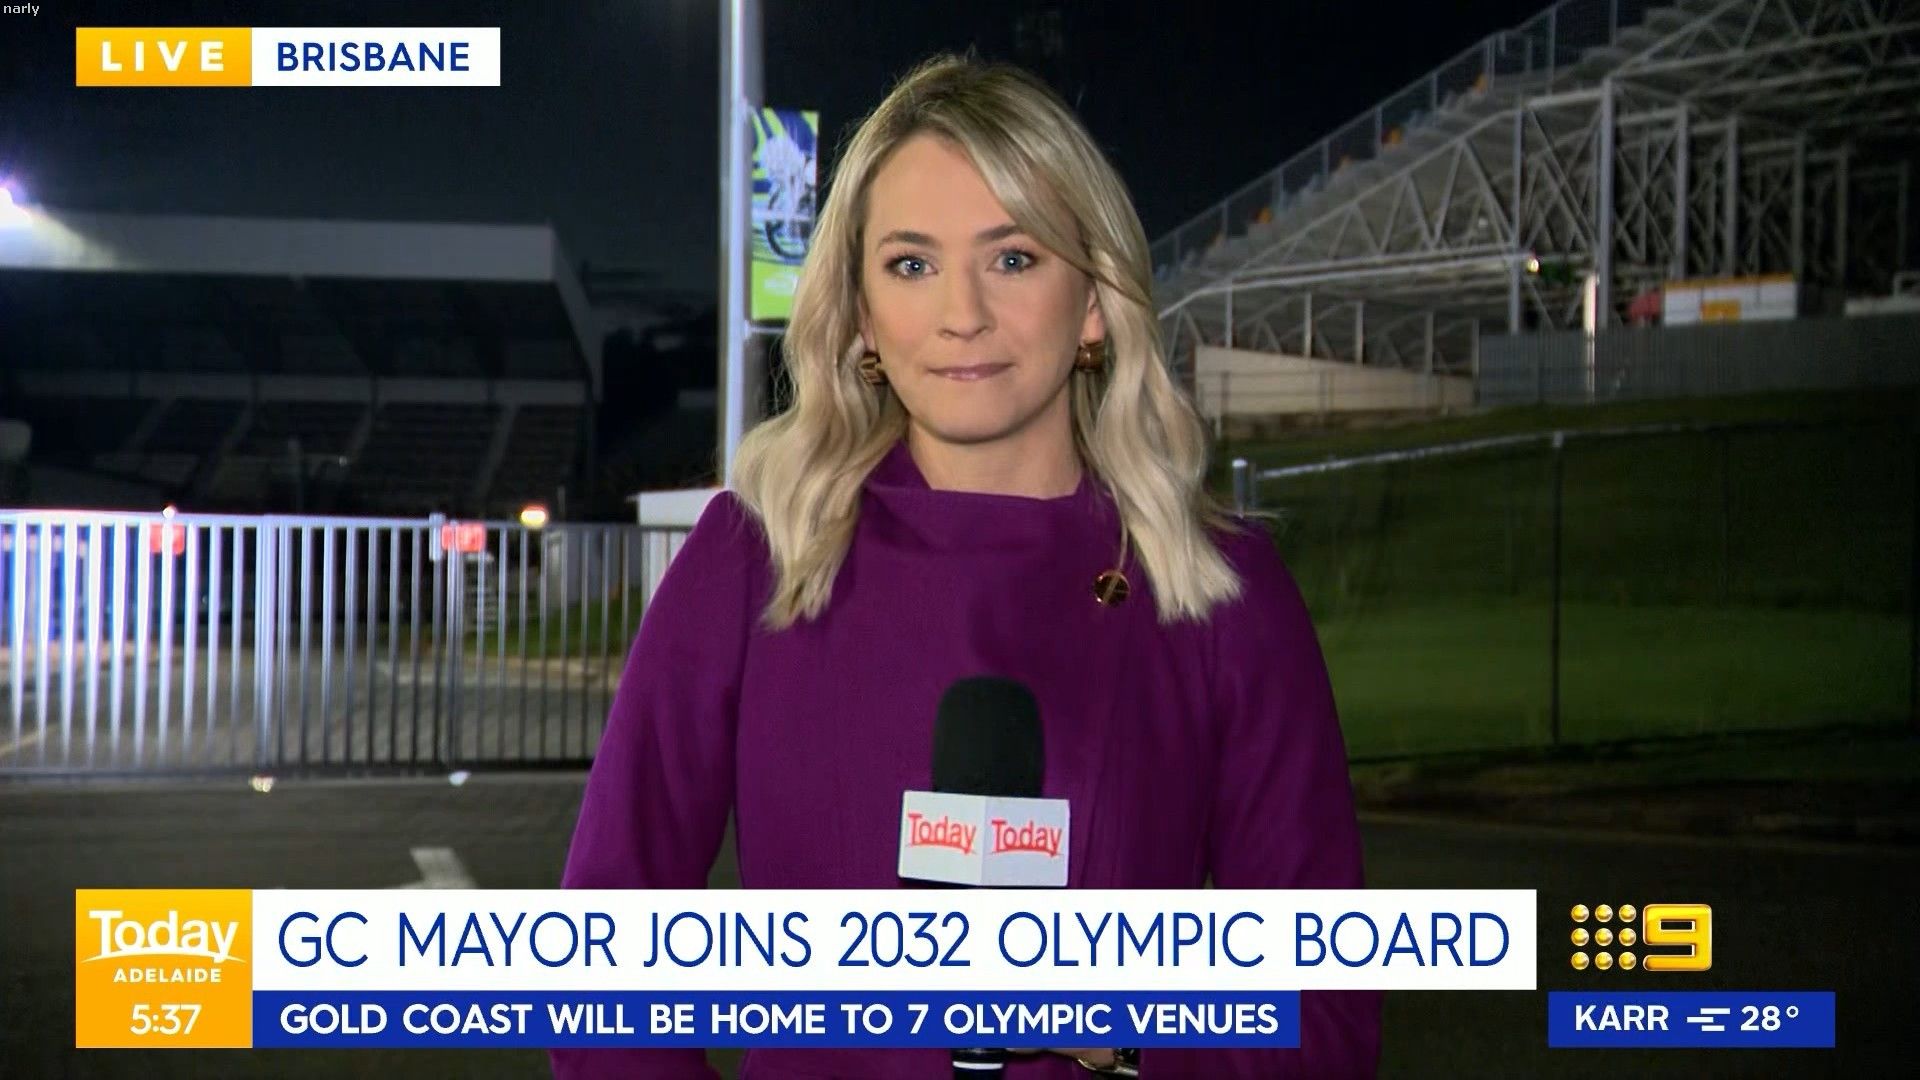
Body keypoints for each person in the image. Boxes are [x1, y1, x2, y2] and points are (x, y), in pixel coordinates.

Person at [555, 53, 1381, 1080]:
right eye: (911, 264)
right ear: (861, 315)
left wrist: (1135, 1028)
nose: (962, 314)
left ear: (1093, 301)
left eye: (1014, 257)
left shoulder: (1224, 593)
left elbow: (1322, 1016)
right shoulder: (751, 561)